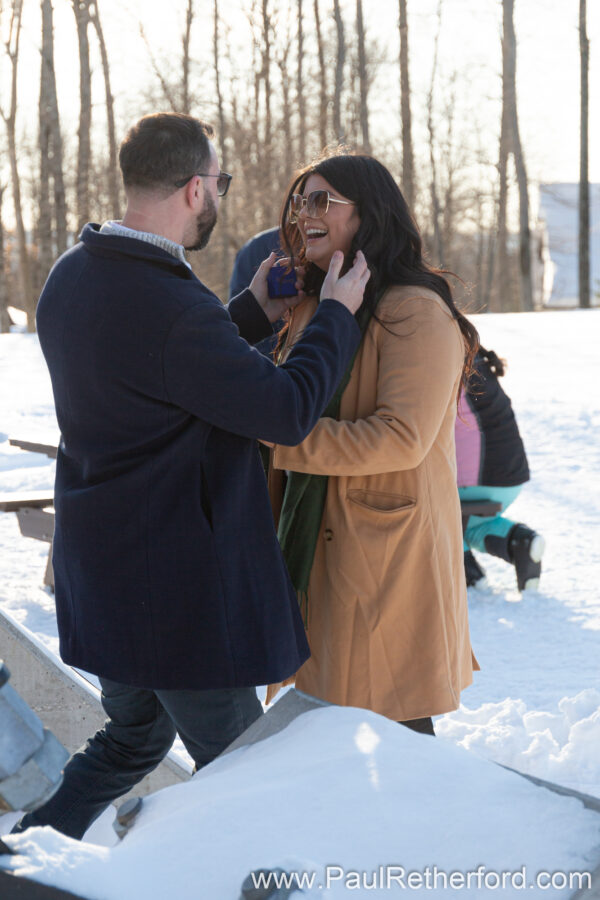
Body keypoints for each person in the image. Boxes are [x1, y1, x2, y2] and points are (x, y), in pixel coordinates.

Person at [11, 113, 370, 840]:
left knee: (135, 739)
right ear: (195, 188)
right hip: (174, 594)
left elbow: (154, 376)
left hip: (107, 573)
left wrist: (248, 313)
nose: (221, 198)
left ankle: (27, 851)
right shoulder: (172, 306)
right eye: (221, 184)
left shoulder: (76, 274)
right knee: (248, 773)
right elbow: (284, 409)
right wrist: (335, 315)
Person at [264, 153, 480, 737]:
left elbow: (401, 438)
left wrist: (281, 435)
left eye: (321, 200)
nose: (303, 212)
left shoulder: (415, 310)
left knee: (398, 728)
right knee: (322, 731)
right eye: (299, 200)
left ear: (368, 214)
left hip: (386, 556)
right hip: (315, 545)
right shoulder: (316, 303)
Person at [456, 347, 545, 591]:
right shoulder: (471, 353)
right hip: (509, 479)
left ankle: (464, 573)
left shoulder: (442, 354)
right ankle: (518, 541)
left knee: (427, 512)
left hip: (477, 478)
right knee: (470, 525)